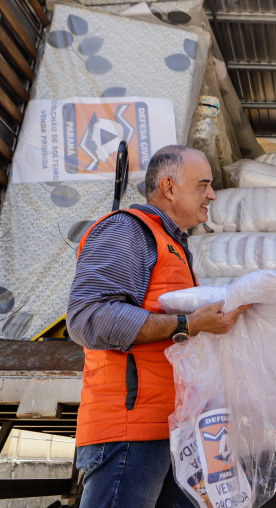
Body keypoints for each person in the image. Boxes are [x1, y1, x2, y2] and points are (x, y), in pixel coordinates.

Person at [67, 145, 251, 507]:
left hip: (169, 429)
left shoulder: (173, 244)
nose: (212, 195)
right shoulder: (126, 230)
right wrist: (188, 324)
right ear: (169, 187)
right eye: (203, 185)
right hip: (128, 431)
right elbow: (88, 317)